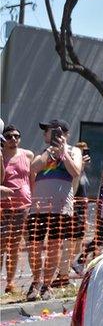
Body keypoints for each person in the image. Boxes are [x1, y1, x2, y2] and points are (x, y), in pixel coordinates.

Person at [26, 119, 82, 301]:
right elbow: (33, 167)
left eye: (48, 131)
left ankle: (47, 285)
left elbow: (75, 172)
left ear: (61, 132)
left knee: (53, 246)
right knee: (33, 246)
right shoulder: (44, 152)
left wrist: (63, 152)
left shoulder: (75, 151)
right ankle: (35, 282)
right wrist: (50, 152)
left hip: (60, 207)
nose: (44, 134)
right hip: (38, 208)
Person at [2, 123, 33, 294]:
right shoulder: (0, 155)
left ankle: (10, 282)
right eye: (9, 136)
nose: (13, 139)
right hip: (3, 208)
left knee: (14, 246)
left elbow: (32, 179)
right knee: (0, 246)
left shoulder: (27, 155)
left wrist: (34, 200)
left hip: (23, 206)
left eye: (16, 136)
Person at [55, 141, 91, 287]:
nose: (86, 154)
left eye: (87, 151)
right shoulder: (75, 171)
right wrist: (80, 165)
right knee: (69, 243)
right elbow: (74, 188)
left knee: (76, 244)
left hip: (81, 211)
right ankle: (61, 276)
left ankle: (66, 270)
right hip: (73, 209)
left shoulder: (83, 172)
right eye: (83, 151)